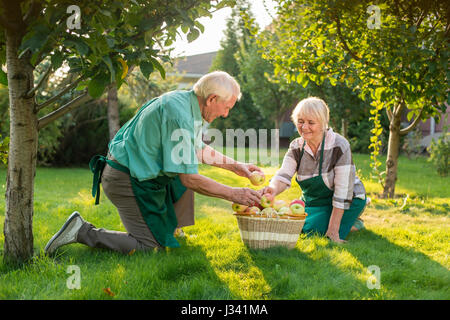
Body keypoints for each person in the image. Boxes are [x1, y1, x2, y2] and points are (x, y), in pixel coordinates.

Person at [45, 71, 263, 255]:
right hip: (125, 179)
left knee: (182, 173)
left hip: (139, 173)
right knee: (148, 247)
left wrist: (237, 167)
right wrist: (234, 194)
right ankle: (81, 231)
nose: (226, 114)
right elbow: (190, 179)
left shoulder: (187, 104)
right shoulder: (179, 115)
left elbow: (196, 150)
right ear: (212, 99)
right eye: (227, 107)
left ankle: (172, 230)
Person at [262, 97, 367, 243]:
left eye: (311, 123)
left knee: (313, 231)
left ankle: (355, 223)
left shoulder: (339, 145)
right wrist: (272, 189)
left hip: (348, 199)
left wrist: (333, 231)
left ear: (324, 123)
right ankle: (344, 221)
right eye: (300, 121)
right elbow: (283, 175)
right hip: (315, 202)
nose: (304, 127)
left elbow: (343, 191)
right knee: (296, 226)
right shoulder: (296, 147)